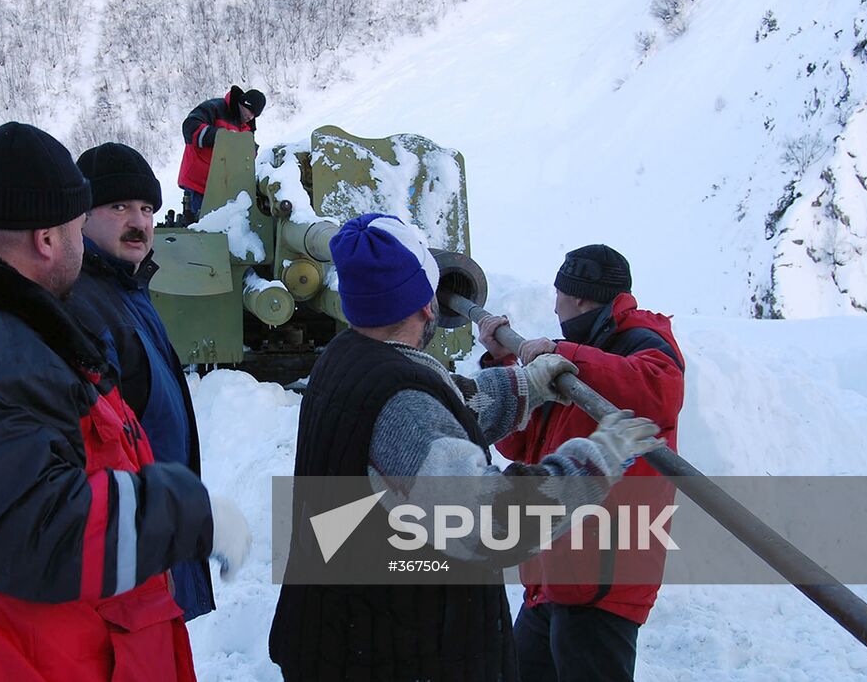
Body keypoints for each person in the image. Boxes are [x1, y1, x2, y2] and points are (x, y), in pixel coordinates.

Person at [0, 121, 250, 682]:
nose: (80, 244)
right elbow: (30, 529)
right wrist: (181, 513)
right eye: (74, 226)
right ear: (46, 238)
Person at [268, 214, 666, 682]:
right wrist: (593, 462)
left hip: (349, 634)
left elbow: (451, 402)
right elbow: (494, 523)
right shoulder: (407, 409)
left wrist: (527, 385)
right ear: (426, 305)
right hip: (396, 652)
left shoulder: (349, 360)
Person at [478, 243, 685, 682]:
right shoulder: (583, 350)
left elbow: (659, 393)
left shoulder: (640, 343)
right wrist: (504, 361)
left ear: (578, 297)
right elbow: (520, 445)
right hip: (555, 571)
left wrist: (565, 354)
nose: (554, 305)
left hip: (602, 574)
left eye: (559, 293)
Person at [66, 141, 215, 622]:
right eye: (118, 206)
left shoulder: (127, 291)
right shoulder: (85, 307)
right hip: (130, 560)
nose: (139, 220)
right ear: (80, 216)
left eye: (147, 207)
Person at [177, 85, 265, 221]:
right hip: (198, 184)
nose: (250, 116)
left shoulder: (247, 129)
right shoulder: (215, 108)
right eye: (249, 111)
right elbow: (190, 127)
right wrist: (222, 137)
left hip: (224, 190)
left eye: (254, 115)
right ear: (243, 103)